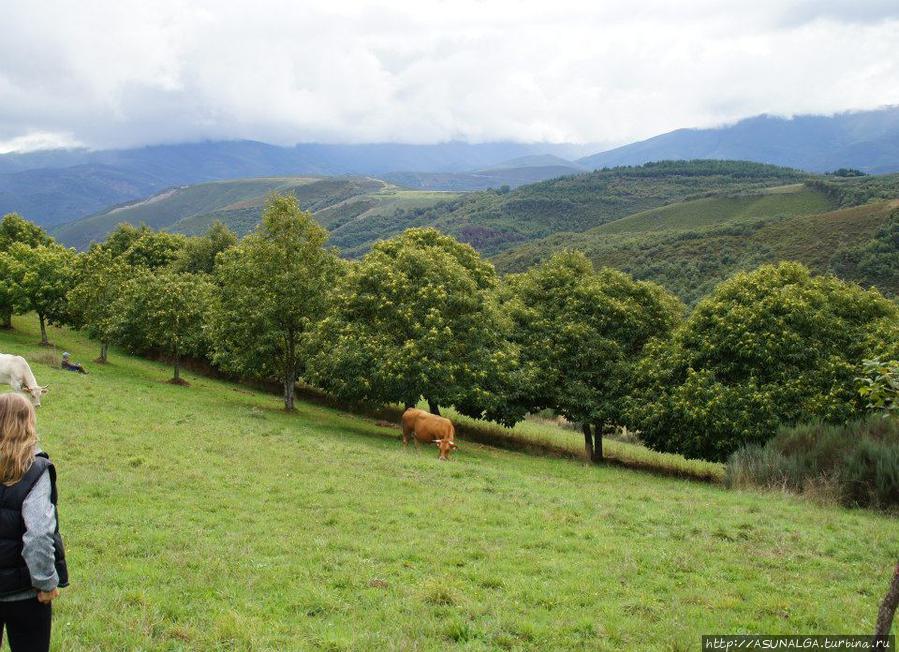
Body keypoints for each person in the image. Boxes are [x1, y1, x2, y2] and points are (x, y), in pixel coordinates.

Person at [0, 393, 68, 651]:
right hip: (27, 595)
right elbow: (39, 534)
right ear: (27, 423)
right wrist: (46, 582)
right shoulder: (36, 469)